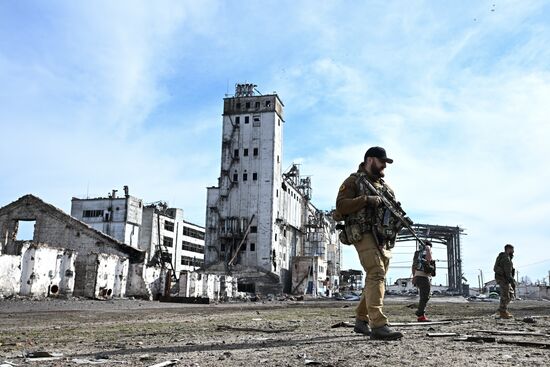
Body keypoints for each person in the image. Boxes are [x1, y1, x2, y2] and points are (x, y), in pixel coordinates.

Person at [335, 146, 403, 340]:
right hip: (362, 232)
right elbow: (341, 206)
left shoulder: (384, 187)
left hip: (383, 236)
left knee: (375, 278)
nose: (384, 166)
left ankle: (361, 320)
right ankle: (379, 325)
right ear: (370, 160)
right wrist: (366, 200)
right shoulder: (353, 181)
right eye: (382, 162)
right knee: (376, 273)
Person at [412, 241, 434, 322]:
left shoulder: (417, 253)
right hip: (423, 277)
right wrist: (428, 250)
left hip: (419, 276)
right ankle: (420, 314)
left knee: (424, 296)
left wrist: (414, 276)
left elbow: (414, 265)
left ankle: (421, 314)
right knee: (425, 296)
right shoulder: (426, 251)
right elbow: (429, 259)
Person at [493, 244, 515, 319]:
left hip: (507, 279)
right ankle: (503, 312)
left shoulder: (508, 257)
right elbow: (495, 268)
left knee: (511, 294)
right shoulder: (503, 257)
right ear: (508, 249)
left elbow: (508, 270)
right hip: (503, 279)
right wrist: (503, 275)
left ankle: (502, 310)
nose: (513, 251)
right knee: (505, 295)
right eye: (512, 249)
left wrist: (510, 278)